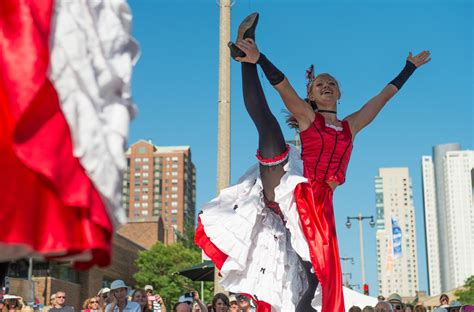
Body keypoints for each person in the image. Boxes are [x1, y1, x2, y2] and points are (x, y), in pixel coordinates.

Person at [195, 11, 431, 312]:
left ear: (340, 93)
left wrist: (408, 68)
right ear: (311, 94)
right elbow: (282, 87)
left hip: (322, 209)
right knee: (269, 132)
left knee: (313, 281)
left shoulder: (351, 125)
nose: (326, 86)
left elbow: (382, 98)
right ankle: (246, 54)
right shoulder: (308, 119)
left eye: (331, 83)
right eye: (320, 84)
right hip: (294, 188)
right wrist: (260, 58)